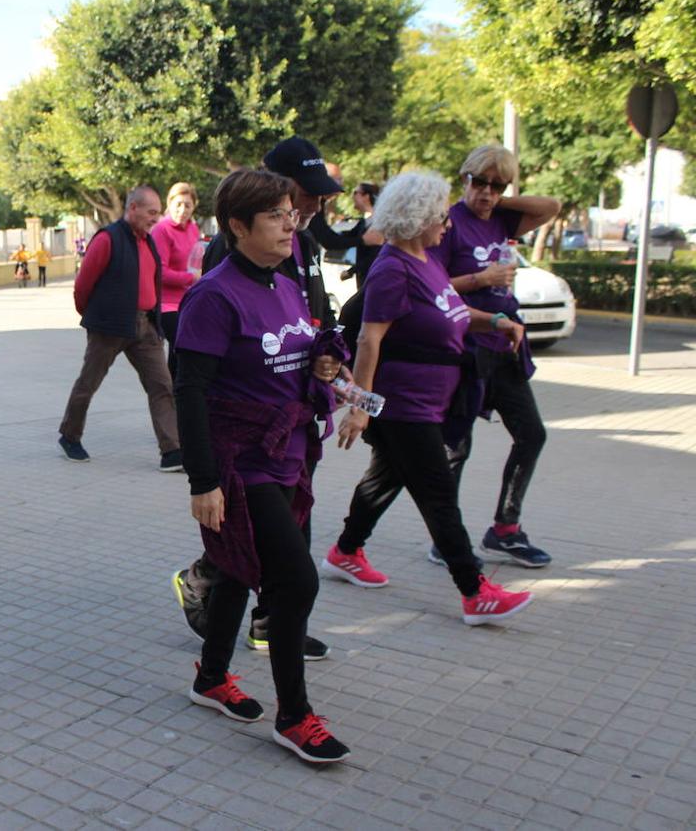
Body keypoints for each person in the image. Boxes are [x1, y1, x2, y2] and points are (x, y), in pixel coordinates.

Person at [176, 168, 350, 763]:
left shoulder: (285, 282)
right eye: (276, 214)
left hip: (289, 455)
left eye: (290, 212)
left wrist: (322, 366)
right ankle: (294, 717)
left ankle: (210, 678)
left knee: (233, 569)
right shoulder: (213, 295)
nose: (291, 222)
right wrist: (203, 482)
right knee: (294, 580)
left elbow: (295, 351)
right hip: (239, 461)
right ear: (237, 226)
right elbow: (190, 392)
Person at [320, 170, 535, 626]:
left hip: (431, 401)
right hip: (402, 404)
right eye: (440, 214)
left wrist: (495, 322)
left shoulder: (428, 262)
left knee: (386, 478)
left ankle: (344, 552)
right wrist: (359, 406)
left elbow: (451, 311)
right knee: (438, 493)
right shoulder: (392, 268)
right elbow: (368, 342)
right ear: (418, 219)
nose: (448, 222)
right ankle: (475, 591)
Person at [432, 145, 560, 569]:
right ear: (463, 178)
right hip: (465, 347)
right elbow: (431, 287)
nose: (486, 192)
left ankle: (505, 529)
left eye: (496, 185)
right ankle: (446, 539)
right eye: (478, 182)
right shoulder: (448, 224)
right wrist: (481, 278)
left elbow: (551, 206)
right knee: (456, 448)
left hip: (505, 347)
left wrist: (498, 198)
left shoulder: (503, 218)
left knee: (533, 434)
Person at [57, 186, 181, 471]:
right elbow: (83, 285)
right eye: (151, 212)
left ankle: (172, 451)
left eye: (158, 212)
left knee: (162, 385)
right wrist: (93, 317)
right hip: (109, 327)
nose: (156, 217)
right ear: (133, 208)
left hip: (145, 326)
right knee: (89, 383)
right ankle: (69, 436)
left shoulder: (147, 241)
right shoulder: (107, 239)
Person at [151, 182, 201, 379]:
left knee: (180, 353)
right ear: (169, 204)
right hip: (166, 304)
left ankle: (176, 395)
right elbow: (160, 272)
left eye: (187, 205)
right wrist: (191, 277)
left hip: (188, 300)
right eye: (178, 204)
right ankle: (176, 395)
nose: (182, 210)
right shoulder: (161, 230)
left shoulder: (193, 229)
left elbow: (195, 261)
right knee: (184, 346)